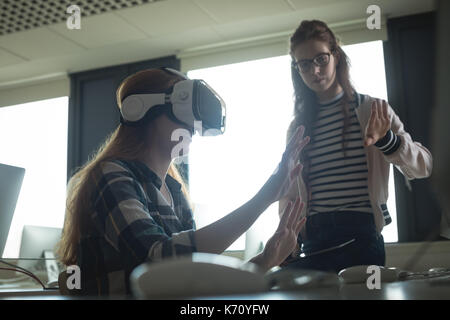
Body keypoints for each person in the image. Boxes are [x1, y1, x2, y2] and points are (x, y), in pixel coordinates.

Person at [56, 68, 309, 296]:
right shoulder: (111, 175)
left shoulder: (175, 191)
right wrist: (264, 197)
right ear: (143, 111)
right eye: (183, 112)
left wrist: (265, 260)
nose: (193, 127)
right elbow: (157, 261)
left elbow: (189, 276)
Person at [279, 20, 433, 273]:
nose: (315, 71)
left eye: (321, 59)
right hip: (313, 238)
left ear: (336, 56)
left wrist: (388, 142)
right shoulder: (297, 127)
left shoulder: (372, 110)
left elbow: (424, 166)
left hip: (361, 236)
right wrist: (287, 237)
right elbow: (289, 191)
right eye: (304, 64)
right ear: (297, 69)